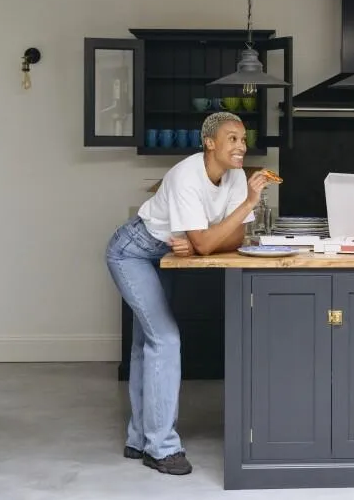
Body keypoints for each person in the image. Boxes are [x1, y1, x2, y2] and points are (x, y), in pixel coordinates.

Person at [104, 112, 272, 475]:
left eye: (243, 139)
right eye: (232, 139)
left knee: (145, 344)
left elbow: (234, 239)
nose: (241, 146)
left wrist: (203, 243)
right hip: (131, 251)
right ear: (209, 142)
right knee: (164, 339)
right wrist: (245, 207)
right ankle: (162, 448)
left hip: (163, 254)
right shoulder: (186, 176)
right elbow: (208, 242)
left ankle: (139, 438)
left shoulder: (236, 176)